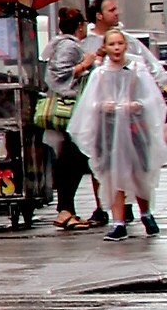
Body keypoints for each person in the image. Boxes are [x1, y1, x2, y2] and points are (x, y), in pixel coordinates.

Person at [68, 26, 165, 240]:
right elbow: (89, 103)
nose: (116, 48)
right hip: (109, 129)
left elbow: (152, 98)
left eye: (119, 43)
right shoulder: (100, 73)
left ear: (125, 45)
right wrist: (102, 105)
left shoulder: (137, 69)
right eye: (112, 44)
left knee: (139, 172)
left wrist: (137, 104)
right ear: (105, 47)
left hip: (135, 127)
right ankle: (118, 221)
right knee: (113, 174)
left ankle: (146, 214)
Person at [45, 5, 98, 230]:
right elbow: (57, 76)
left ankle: (67, 210)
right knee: (73, 161)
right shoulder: (68, 46)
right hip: (70, 113)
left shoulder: (61, 44)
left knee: (73, 161)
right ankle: (65, 210)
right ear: (80, 26)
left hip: (74, 114)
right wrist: (84, 65)